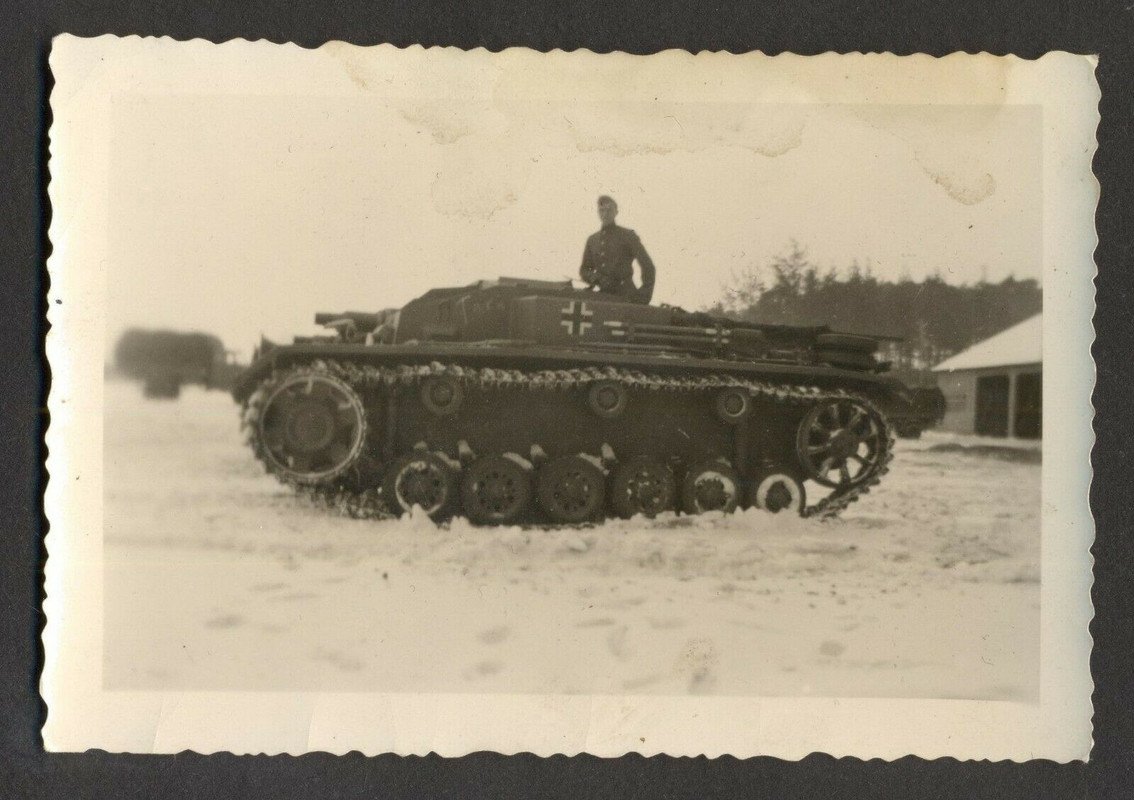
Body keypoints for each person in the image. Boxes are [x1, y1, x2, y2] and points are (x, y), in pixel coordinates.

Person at [579, 195, 656, 304]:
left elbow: (648, 266)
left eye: (609, 210)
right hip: (603, 297)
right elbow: (584, 270)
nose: (605, 214)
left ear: (616, 212)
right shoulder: (592, 240)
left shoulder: (628, 236)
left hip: (627, 297)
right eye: (602, 210)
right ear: (598, 212)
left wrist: (644, 295)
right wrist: (594, 277)